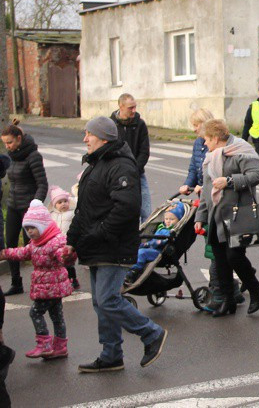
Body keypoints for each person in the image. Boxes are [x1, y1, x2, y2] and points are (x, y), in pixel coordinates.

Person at [66, 116, 168, 373]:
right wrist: (72, 241)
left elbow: (127, 208)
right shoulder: (95, 164)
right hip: (95, 245)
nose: (84, 139)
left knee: (108, 299)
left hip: (112, 244)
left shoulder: (121, 165)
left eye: (88, 134)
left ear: (103, 137)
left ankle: (151, 333)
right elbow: (84, 210)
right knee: (101, 303)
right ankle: (111, 354)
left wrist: (99, 233)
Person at [194, 119, 259, 316]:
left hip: (237, 213)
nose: (205, 144)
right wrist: (200, 216)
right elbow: (207, 188)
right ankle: (227, 301)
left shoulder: (241, 151)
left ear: (216, 138)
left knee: (234, 256)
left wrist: (229, 181)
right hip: (216, 215)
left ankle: (255, 290)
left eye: (206, 140)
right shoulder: (211, 157)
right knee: (220, 259)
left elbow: (257, 175)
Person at [178, 109, 242, 312]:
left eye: (197, 125)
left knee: (217, 250)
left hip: (220, 202)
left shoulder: (226, 148)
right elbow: (194, 168)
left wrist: (206, 186)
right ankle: (231, 287)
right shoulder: (200, 144)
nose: (194, 130)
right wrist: (189, 184)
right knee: (218, 250)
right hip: (205, 200)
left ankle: (221, 291)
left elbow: (217, 176)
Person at [0, 200, 74, 361]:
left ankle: (44, 344)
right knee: (57, 316)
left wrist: (68, 256)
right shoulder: (35, 244)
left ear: (44, 227)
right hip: (50, 288)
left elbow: (62, 255)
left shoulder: (54, 242)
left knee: (35, 312)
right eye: (27, 229)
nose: (30, 232)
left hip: (50, 288)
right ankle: (60, 347)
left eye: (33, 228)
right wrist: (6, 253)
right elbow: (22, 253)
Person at [1, 122, 49, 296]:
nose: (7, 146)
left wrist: (36, 204)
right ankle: (16, 282)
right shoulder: (12, 155)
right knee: (11, 244)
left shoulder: (33, 156)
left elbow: (42, 184)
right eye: (5, 143)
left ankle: (40, 282)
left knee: (34, 247)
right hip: (13, 205)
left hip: (29, 209)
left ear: (19, 139)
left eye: (10, 142)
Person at [111, 94, 151, 223]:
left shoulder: (140, 124)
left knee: (146, 212)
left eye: (135, 107)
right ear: (121, 106)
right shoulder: (111, 125)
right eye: (130, 108)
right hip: (117, 175)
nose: (134, 110)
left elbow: (144, 151)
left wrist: (135, 170)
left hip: (137, 174)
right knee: (123, 212)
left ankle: (145, 241)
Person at [124, 203, 186, 285]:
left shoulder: (171, 232)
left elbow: (159, 242)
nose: (168, 221)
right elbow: (153, 240)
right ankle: (127, 268)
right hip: (152, 247)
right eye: (166, 219)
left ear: (179, 220)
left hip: (160, 252)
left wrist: (151, 243)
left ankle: (134, 271)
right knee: (136, 248)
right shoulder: (161, 227)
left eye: (172, 219)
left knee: (142, 253)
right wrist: (146, 244)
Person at [48, 186, 79, 289]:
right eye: (60, 202)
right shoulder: (52, 216)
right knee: (59, 264)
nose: (63, 204)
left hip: (68, 243)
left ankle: (73, 280)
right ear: (54, 205)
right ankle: (62, 281)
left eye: (65, 201)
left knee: (69, 263)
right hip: (56, 244)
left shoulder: (72, 213)